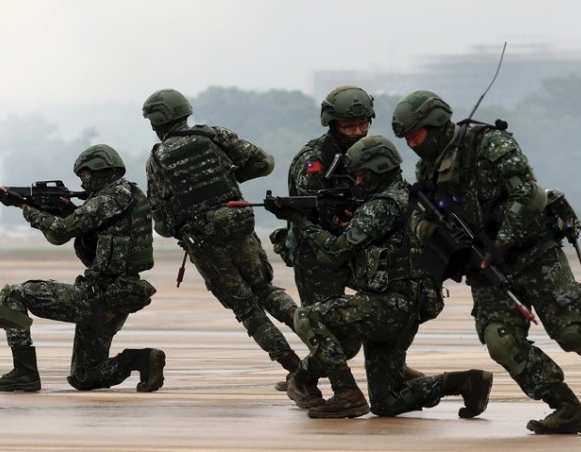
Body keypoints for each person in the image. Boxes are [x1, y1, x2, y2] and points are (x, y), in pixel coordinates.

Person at [392, 90, 581, 434]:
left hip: (533, 254)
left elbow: (528, 193)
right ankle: (566, 406)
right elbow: (416, 218)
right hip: (483, 268)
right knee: (500, 339)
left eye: (415, 136)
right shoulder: (427, 170)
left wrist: (500, 243)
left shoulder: (490, 143)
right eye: (406, 139)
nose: (412, 145)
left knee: (572, 330)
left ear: (433, 125)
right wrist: (434, 234)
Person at [284, 135, 493, 419]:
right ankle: (463, 382)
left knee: (308, 316)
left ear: (377, 169)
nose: (356, 182)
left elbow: (335, 253)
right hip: (408, 307)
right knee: (386, 402)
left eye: (359, 175)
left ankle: (346, 393)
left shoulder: (382, 204)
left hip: (388, 306)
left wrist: (299, 221)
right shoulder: (405, 197)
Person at [142, 88, 303, 387]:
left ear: (157, 122)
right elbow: (263, 163)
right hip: (239, 225)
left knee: (247, 309)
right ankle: (319, 342)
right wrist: (227, 180)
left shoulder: (157, 160)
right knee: (266, 289)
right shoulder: (214, 135)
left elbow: (162, 226)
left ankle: (296, 370)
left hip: (203, 242)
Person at [0, 144, 165, 393]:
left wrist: (25, 207)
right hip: (122, 295)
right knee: (85, 377)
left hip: (97, 295)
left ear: (98, 170)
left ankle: (24, 373)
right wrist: (65, 211)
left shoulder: (108, 199)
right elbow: (91, 228)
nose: (82, 183)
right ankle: (141, 359)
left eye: (84, 175)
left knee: (13, 293)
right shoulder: (130, 196)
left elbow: (60, 232)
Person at [273, 86, 375, 397]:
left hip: (360, 248)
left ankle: (309, 372)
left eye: (363, 125)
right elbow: (309, 210)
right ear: (332, 123)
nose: (357, 132)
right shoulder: (314, 160)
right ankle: (316, 380)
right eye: (349, 127)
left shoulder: (372, 153)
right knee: (325, 327)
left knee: (379, 317)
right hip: (317, 254)